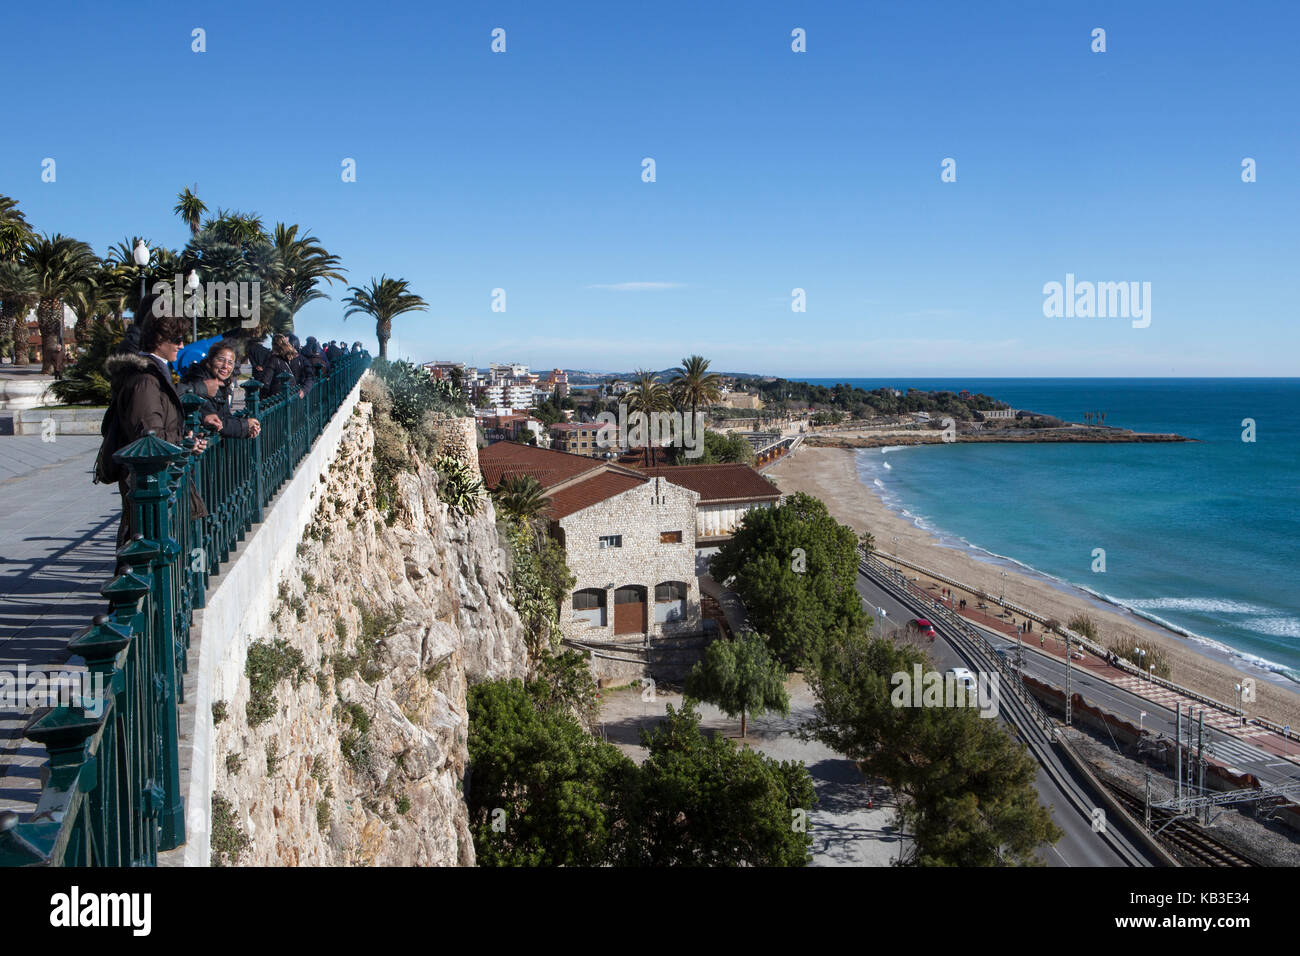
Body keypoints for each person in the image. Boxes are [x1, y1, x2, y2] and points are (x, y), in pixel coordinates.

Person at [103, 300, 220, 564]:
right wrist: (181, 445)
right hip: (149, 484)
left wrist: (186, 442)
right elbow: (148, 437)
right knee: (142, 544)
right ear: (158, 339)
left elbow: (161, 427)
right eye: (177, 339)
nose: (181, 345)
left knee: (146, 543)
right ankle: (128, 603)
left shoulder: (155, 373)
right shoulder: (145, 380)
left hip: (158, 481)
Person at [178, 342, 261, 439]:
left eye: (230, 363)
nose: (225, 366)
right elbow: (216, 422)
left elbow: (225, 416)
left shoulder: (222, 384)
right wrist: (245, 425)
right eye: (220, 360)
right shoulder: (201, 381)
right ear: (210, 361)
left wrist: (249, 427)